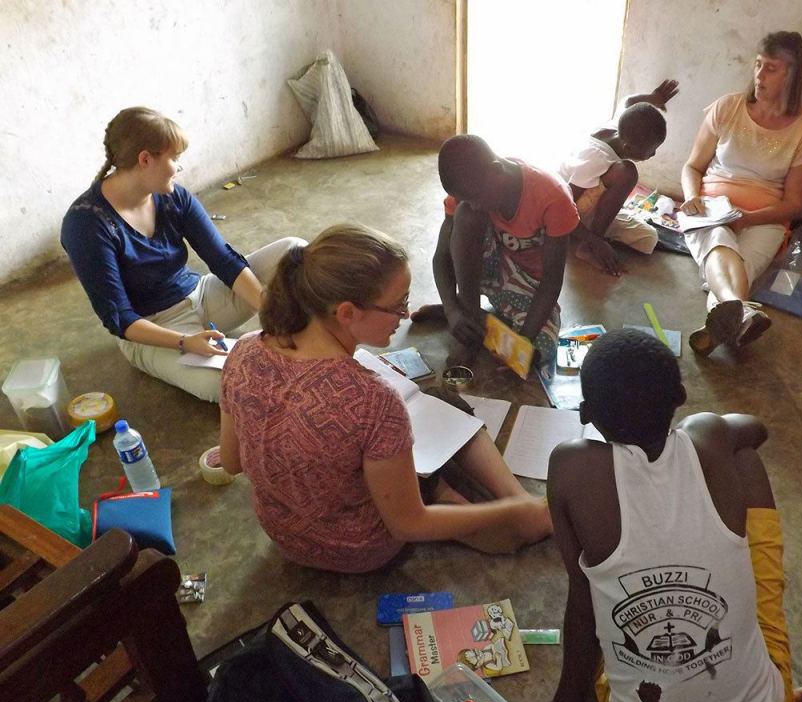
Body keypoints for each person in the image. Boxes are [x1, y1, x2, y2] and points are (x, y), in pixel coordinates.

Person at [520, 328, 802, 702]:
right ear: (680, 395)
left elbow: (585, 605)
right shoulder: (708, 434)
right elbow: (757, 430)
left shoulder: (571, 467)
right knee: (745, 460)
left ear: (586, 414)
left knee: (597, 593)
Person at [218, 223, 552, 574]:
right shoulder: (373, 401)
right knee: (442, 409)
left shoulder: (244, 350)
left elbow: (231, 461)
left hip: (285, 537)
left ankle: (471, 500)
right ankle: (515, 506)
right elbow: (407, 525)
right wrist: (511, 514)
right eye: (397, 305)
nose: (405, 315)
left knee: (410, 420)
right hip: (360, 549)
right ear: (347, 312)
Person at [61, 106, 303, 402]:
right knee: (229, 385)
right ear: (145, 159)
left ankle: (309, 335)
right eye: (174, 159)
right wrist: (186, 342)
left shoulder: (174, 197)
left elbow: (223, 260)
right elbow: (119, 318)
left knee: (294, 251)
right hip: (154, 329)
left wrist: (269, 311)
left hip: (201, 296)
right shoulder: (86, 224)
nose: (178, 168)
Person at [680, 31, 802, 356]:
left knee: (741, 268)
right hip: (712, 209)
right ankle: (739, 310)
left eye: (771, 68)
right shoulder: (729, 107)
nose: (759, 75)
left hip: (766, 219)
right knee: (717, 243)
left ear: (792, 74)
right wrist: (692, 196)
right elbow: (692, 167)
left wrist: (749, 219)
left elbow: (795, 203)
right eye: (758, 65)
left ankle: (721, 322)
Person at [410, 134, 580, 373]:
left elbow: (552, 279)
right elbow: (441, 257)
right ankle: (465, 313)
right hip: (486, 269)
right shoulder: (467, 193)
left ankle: (472, 319)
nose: (475, 204)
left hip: (530, 284)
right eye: (465, 198)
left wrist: (522, 344)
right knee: (467, 216)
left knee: (539, 352)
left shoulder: (552, 196)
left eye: (476, 197)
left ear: (496, 171)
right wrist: (452, 308)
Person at [558, 80, 678, 276]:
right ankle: (589, 246)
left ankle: (596, 236)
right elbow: (562, 206)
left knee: (648, 239)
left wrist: (654, 98)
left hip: (582, 207)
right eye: (651, 150)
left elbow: (628, 101)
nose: (654, 154)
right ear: (629, 148)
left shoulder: (619, 127)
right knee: (627, 172)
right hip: (564, 211)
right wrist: (594, 240)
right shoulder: (596, 158)